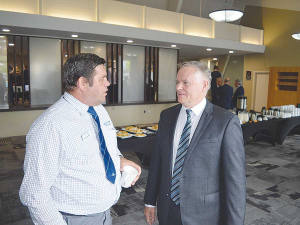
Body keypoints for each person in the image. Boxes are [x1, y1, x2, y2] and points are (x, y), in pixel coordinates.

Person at [19, 53, 141, 225]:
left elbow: (104, 146)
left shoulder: (98, 109)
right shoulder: (50, 125)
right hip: (74, 219)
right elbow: (34, 192)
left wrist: (119, 159)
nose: (108, 83)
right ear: (83, 83)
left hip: (106, 212)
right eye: (103, 79)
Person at [144, 61, 245, 225]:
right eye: (177, 82)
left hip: (204, 214)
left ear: (204, 85)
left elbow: (235, 182)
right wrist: (149, 200)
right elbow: (157, 161)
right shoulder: (167, 116)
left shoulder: (226, 122)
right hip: (168, 210)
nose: (178, 87)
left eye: (185, 83)